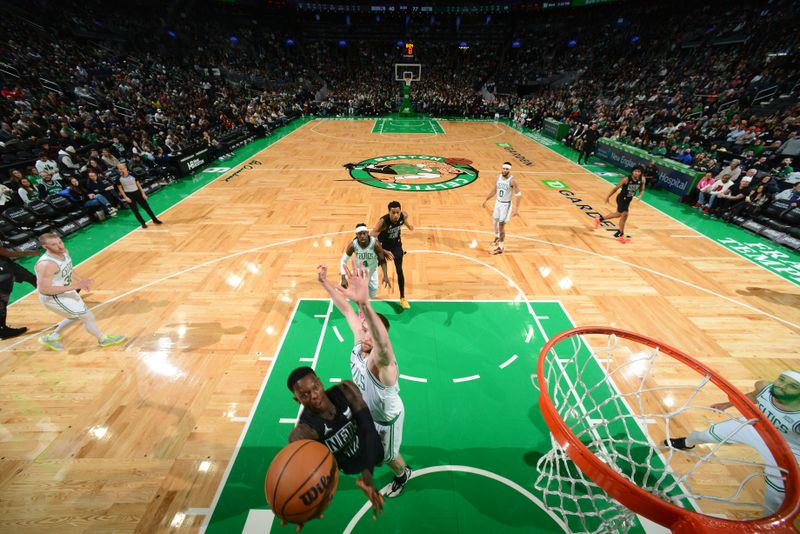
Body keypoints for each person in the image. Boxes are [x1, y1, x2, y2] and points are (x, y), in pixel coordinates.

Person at [318, 262, 412, 497]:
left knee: (388, 457)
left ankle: (403, 474)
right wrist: (325, 283)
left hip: (386, 419)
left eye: (369, 329)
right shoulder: (361, 341)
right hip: (368, 411)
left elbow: (382, 343)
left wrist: (365, 304)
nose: (363, 333)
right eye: (363, 328)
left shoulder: (382, 363)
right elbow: (347, 311)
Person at [664, 371, 800, 514]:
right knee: (704, 435)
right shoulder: (764, 387)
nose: (782, 386)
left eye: (792, 386)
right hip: (754, 427)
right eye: (782, 379)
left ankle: (770, 523)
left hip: (785, 448)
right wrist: (727, 404)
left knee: (776, 496)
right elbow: (752, 397)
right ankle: (687, 442)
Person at [287, 366, 384, 530]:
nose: (314, 396)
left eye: (315, 388)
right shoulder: (303, 433)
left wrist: (367, 475)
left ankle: (395, 469)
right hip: (347, 466)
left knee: (382, 456)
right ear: (298, 400)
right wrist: (301, 508)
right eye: (305, 395)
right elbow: (301, 476)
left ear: (320, 383)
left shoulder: (346, 391)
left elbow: (368, 428)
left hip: (369, 447)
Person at [35, 233, 125, 351]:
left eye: (60, 242)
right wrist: (76, 286)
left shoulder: (63, 252)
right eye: (54, 245)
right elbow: (44, 289)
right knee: (86, 316)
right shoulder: (46, 264)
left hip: (65, 291)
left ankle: (51, 337)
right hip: (53, 297)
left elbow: (68, 269)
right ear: (45, 247)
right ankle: (103, 339)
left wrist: (81, 280)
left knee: (75, 316)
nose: (60, 246)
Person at [371, 201, 414, 310]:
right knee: (371, 269)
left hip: (396, 246)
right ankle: (361, 288)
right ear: (388, 212)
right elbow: (371, 237)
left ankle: (402, 298)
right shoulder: (383, 222)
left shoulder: (402, 216)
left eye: (397, 213)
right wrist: (384, 251)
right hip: (382, 246)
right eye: (393, 213)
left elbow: (404, 218)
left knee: (399, 270)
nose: (396, 215)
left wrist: (409, 226)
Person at [594, 165, 646, 244]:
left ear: (641, 173)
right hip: (621, 198)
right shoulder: (626, 179)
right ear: (632, 171)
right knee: (625, 214)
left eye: (638, 172)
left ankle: (600, 219)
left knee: (618, 214)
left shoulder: (642, 179)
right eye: (635, 171)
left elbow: (642, 189)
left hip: (628, 199)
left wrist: (640, 195)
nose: (636, 173)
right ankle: (620, 234)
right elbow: (616, 188)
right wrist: (608, 196)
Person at [340, 224, 390, 299]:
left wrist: (385, 275)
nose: (362, 236)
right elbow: (343, 261)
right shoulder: (353, 245)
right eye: (360, 234)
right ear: (356, 234)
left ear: (367, 233)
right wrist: (343, 278)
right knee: (360, 295)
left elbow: (382, 260)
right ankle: (361, 308)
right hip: (360, 272)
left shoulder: (375, 244)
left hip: (372, 270)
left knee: (372, 295)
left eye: (364, 233)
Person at [481, 162, 521, 255]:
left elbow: (518, 194)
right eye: (504, 168)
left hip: (506, 205)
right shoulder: (498, 177)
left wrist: (516, 209)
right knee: (495, 222)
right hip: (498, 203)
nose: (505, 170)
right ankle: (497, 237)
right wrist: (486, 199)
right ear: (502, 168)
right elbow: (494, 190)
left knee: (501, 225)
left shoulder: (512, 180)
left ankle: (501, 247)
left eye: (507, 169)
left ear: (509, 170)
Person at [116, 164, 162, 229]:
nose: (120, 170)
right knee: (135, 211)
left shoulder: (132, 174)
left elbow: (138, 185)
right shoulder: (118, 178)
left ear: (125, 168)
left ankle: (155, 220)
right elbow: (120, 189)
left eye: (121, 168)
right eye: (119, 169)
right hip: (129, 195)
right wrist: (126, 197)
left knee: (147, 207)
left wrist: (143, 193)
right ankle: (143, 223)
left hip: (137, 193)